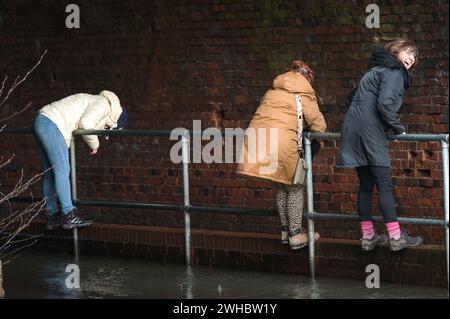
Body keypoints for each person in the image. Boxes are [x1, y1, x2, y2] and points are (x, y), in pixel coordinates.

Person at [336, 39, 423, 252]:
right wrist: (398, 128)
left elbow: (353, 98)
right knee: (384, 184)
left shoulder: (374, 70)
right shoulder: (393, 71)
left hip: (352, 127)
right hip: (370, 129)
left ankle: (368, 237)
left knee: (366, 184)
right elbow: (384, 104)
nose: (412, 57)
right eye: (408, 51)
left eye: (415, 55)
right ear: (395, 51)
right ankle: (395, 237)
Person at [237, 61, 327, 249]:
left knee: (282, 187)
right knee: (295, 186)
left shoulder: (272, 91)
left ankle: (286, 231)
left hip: (261, 141)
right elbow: (319, 126)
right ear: (308, 79)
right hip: (284, 145)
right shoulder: (304, 93)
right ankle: (296, 234)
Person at [33, 90, 128, 230]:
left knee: (51, 173)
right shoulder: (103, 105)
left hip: (41, 121)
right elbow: (86, 122)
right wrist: (95, 144)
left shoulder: (96, 101)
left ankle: (52, 215)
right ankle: (69, 214)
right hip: (51, 124)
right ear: (115, 121)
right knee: (62, 171)